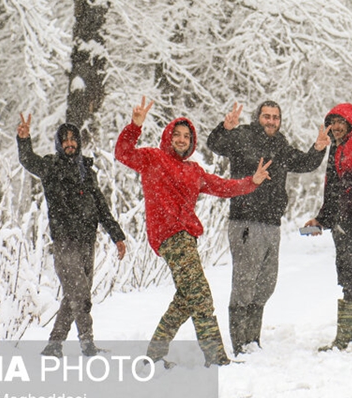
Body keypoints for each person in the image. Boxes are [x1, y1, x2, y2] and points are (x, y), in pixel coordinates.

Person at [115, 97, 271, 367]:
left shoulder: (193, 171)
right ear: (168, 136)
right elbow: (123, 153)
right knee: (201, 297)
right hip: (169, 237)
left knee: (186, 299)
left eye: (187, 136)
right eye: (176, 134)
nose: (181, 139)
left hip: (187, 238)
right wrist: (134, 126)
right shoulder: (153, 158)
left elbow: (224, 187)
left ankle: (154, 355)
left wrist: (252, 182)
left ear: (192, 142)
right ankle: (217, 358)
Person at [206, 101, 330, 354]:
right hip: (245, 221)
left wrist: (318, 148)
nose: (271, 121)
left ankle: (253, 341)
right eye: (266, 116)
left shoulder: (280, 145)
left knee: (265, 284)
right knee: (244, 284)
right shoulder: (242, 137)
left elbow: (304, 163)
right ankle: (240, 344)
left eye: (275, 117)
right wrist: (225, 128)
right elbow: (215, 145)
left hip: (272, 224)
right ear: (258, 117)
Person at [16, 114, 127, 358]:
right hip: (64, 243)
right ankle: (87, 344)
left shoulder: (87, 171)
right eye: (64, 140)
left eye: (73, 139)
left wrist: (117, 235)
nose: (70, 144)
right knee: (81, 295)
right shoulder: (50, 166)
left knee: (74, 295)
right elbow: (28, 160)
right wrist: (24, 140)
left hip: (88, 241)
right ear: (58, 144)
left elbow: (101, 206)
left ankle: (54, 345)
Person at [303, 103, 352, 351]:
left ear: (349, 124)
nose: (335, 127)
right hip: (339, 221)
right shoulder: (335, 150)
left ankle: (346, 339)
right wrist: (321, 220)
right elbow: (333, 192)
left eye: (340, 122)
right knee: (351, 272)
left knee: (349, 272)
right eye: (332, 122)